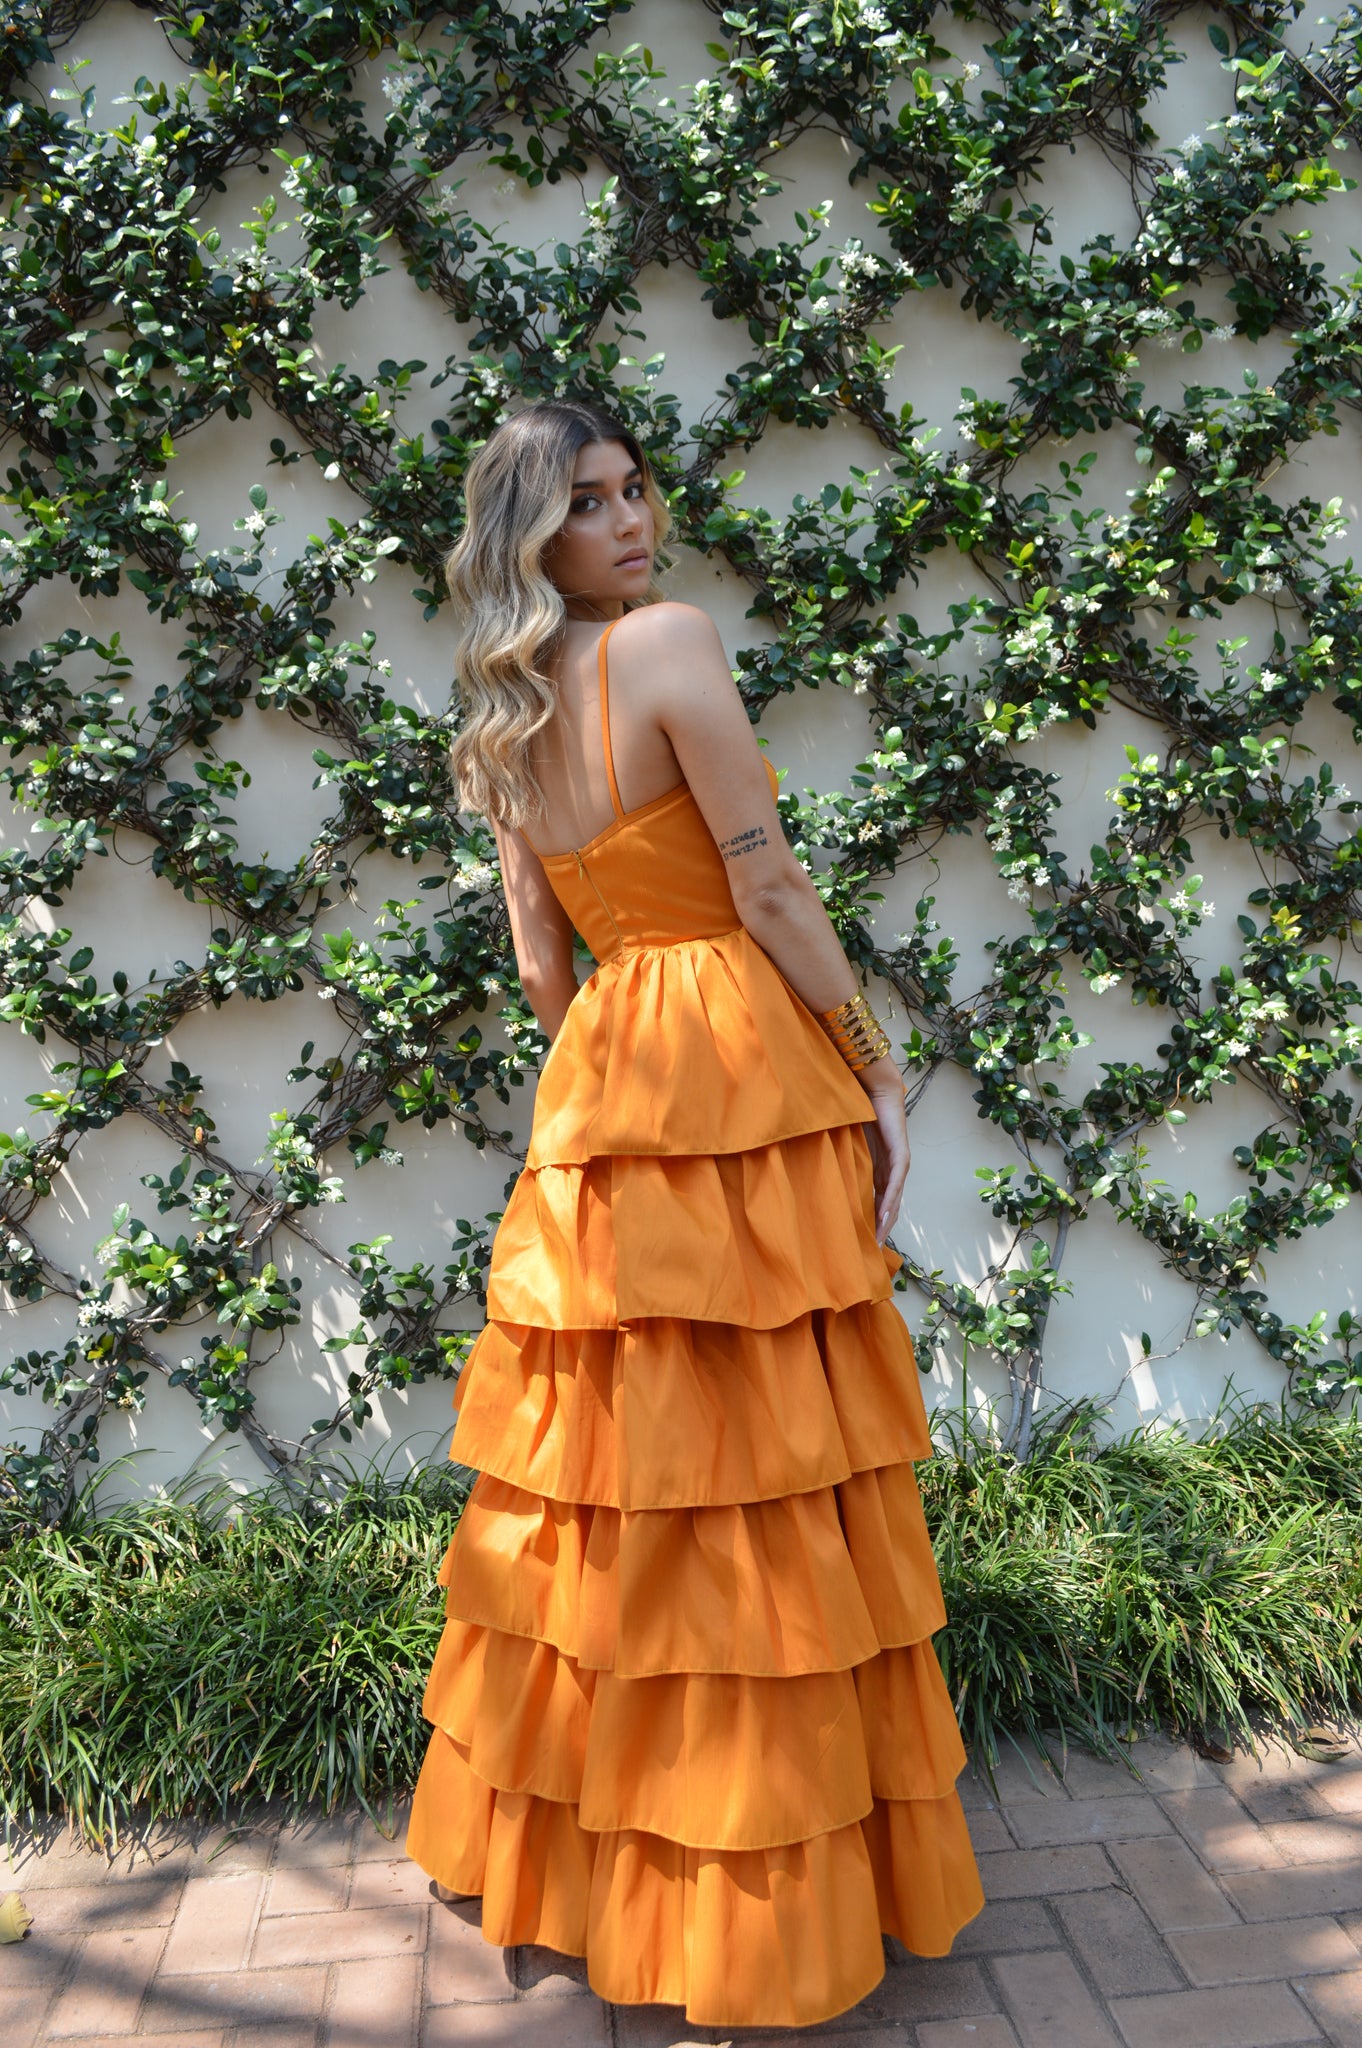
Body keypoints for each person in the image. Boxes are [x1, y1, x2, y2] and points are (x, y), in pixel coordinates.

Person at [405, 398, 984, 2027]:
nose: (629, 521)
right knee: (765, 1462)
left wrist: (602, 1082)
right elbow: (770, 884)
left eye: (634, 490)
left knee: (618, 1474)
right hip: (735, 1054)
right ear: (534, 535)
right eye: (587, 504)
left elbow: (540, 960)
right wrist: (865, 1065)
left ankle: (600, 1878)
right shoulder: (671, 644)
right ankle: (758, 1889)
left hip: (607, 1082)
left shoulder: (501, 708)